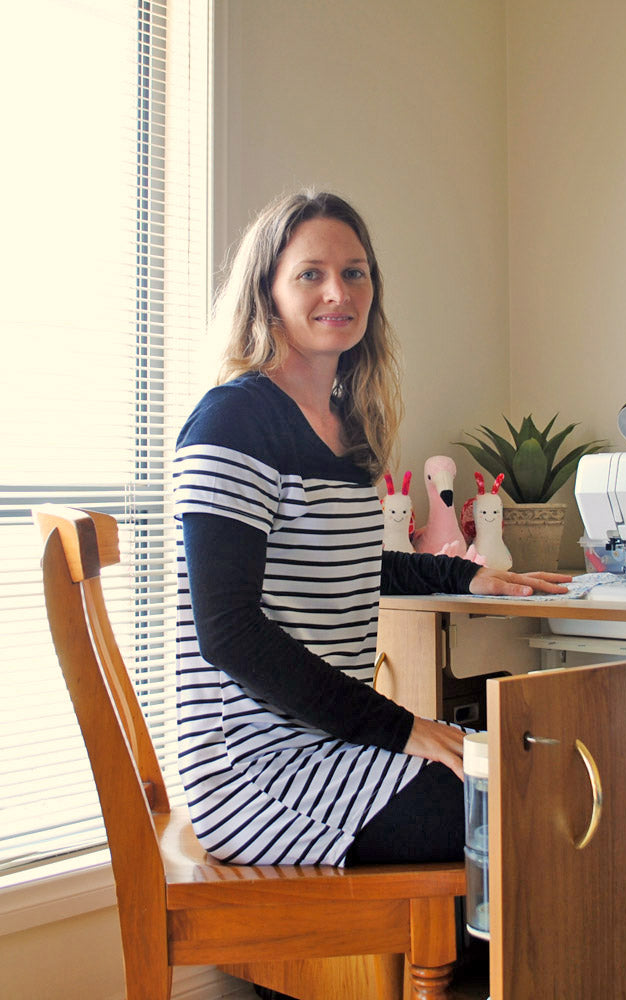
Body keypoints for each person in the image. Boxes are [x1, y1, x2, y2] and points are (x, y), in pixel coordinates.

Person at [173, 190, 570, 870]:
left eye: (355, 272)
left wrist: (468, 572)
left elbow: (352, 560)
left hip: (332, 743)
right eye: (311, 273)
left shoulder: (346, 428)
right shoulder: (232, 421)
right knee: (518, 804)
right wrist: (399, 727)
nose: (339, 291)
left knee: (542, 772)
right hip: (256, 773)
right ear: (267, 291)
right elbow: (227, 630)